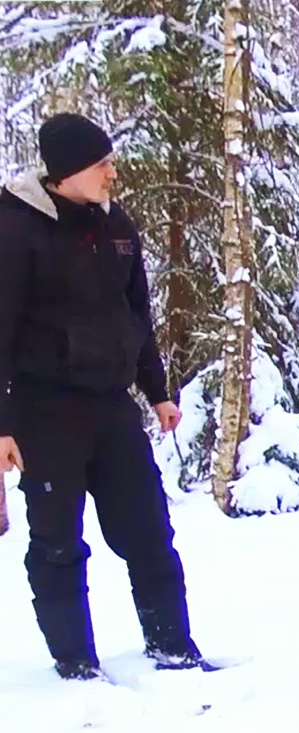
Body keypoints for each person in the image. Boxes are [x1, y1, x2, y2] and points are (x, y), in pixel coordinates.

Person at [0, 114, 205, 679]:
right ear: (67, 173)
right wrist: (3, 424)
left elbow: (137, 315)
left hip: (113, 406)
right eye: (101, 165)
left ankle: (172, 648)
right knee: (58, 545)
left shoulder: (118, 227)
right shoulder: (16, 230)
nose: (112, 173)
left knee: (149, 531)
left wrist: (157, 392)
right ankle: (75, 666)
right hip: (45, 412)